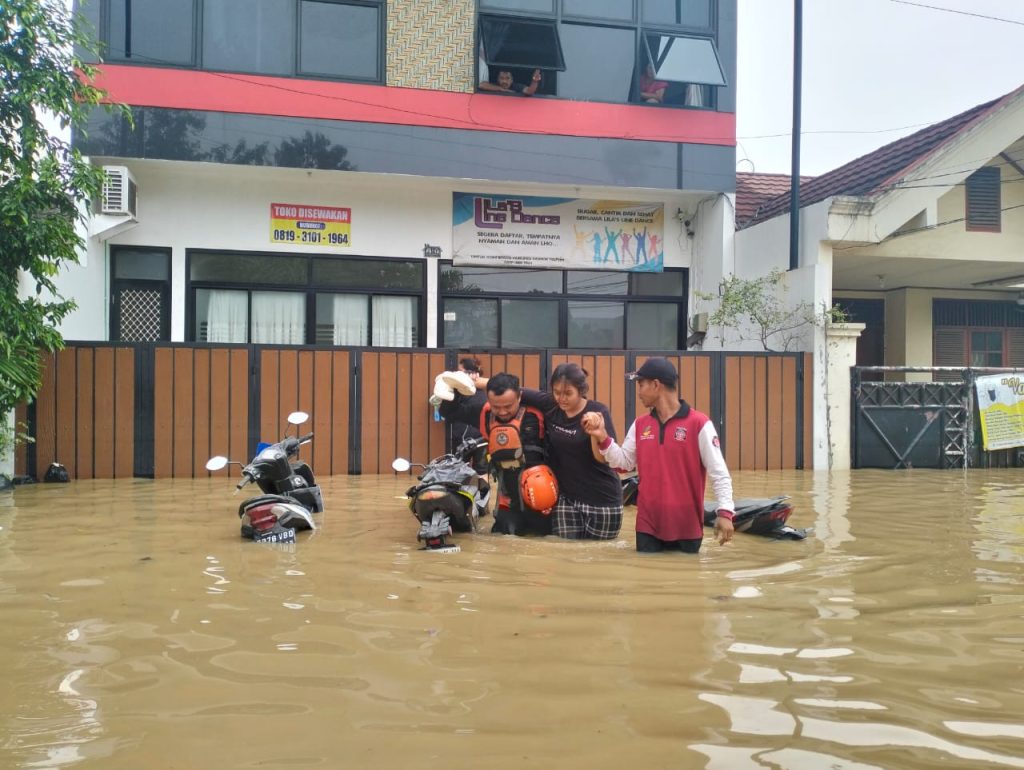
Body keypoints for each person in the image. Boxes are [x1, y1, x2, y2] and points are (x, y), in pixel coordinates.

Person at [581, 357, 735, 553]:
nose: (638, 392)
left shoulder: (699, 424)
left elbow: (718, 472)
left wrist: (725, 513)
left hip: (687, 527)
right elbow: (623, 464)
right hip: (648, 526)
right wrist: (602, 436)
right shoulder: (640, 424)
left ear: (655, 385)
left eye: (641, 384)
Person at [433, 371, 553, 537]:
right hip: (508, 501)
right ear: (489, 401)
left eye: (508, 406)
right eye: (497, 406)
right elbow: (450, 411)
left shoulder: (541, 413)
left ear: (519, 397)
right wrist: (450, 387)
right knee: (505, 541)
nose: (502, 412)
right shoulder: (484, 413)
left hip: (543, 498)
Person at [520, 363, 624, 540]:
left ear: (581, 390)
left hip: (602, 500)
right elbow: (513, 390)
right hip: (566, 498)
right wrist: (471, 380)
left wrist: (596, 433)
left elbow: (602, 459)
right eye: (557, 392)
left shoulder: (598, 412)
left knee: (599, 557)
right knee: (564, 552)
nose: (561, 398)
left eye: (568, 393)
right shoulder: (551, 405)